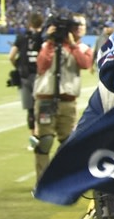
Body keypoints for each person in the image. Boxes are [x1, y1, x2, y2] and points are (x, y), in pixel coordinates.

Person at [33, 12, 93, 183]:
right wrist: (51, 41)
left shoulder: (83, 48)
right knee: (45, 141)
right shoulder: (48, 45)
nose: (79, 29)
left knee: (67, 143)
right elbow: (42, 65)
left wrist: (73, 46)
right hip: (46, 99)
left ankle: (60, 178)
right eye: (76, 26)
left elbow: (85, 64)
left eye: (82, 25)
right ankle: (42, 181)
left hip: (68, 101)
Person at [9, 11, 44, 138]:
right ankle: (42, 135)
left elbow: (11, 56)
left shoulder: (21, 37)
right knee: (42, 107)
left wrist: (18, 67)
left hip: (24, 76)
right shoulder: (43, 38)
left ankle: (33, 137)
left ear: (29, 23)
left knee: (30, 109)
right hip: (40, 77)